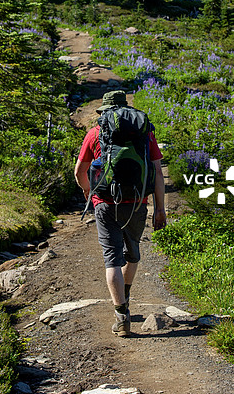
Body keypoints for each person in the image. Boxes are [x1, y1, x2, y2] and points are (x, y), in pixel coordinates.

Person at [74, 90, 166, 337]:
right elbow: (157, 172)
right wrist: (160, 209)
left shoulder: (95, 133)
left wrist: (88, 191)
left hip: (105, 202)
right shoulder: (145, 133)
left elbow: (79, 171)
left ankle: (121, 315)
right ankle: (126, 295)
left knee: (111, 258)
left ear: (104, 111)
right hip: (137, 202)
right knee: (132, 253)